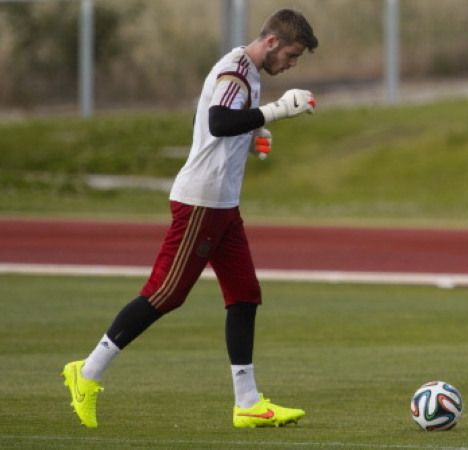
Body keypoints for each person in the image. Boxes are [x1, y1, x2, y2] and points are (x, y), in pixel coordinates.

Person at [62, 9, 319, 429]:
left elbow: (216, 122)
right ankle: (87, 372)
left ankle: (248, 402)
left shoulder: (246, 72)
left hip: (223, 204)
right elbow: (219, 122)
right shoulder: (236, 70)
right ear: (272, 42)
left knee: (244, 295)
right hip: (202, 202)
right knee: (166, 293)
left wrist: (252, 136)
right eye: (292, 55)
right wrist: (274, 112)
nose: (292, 64)